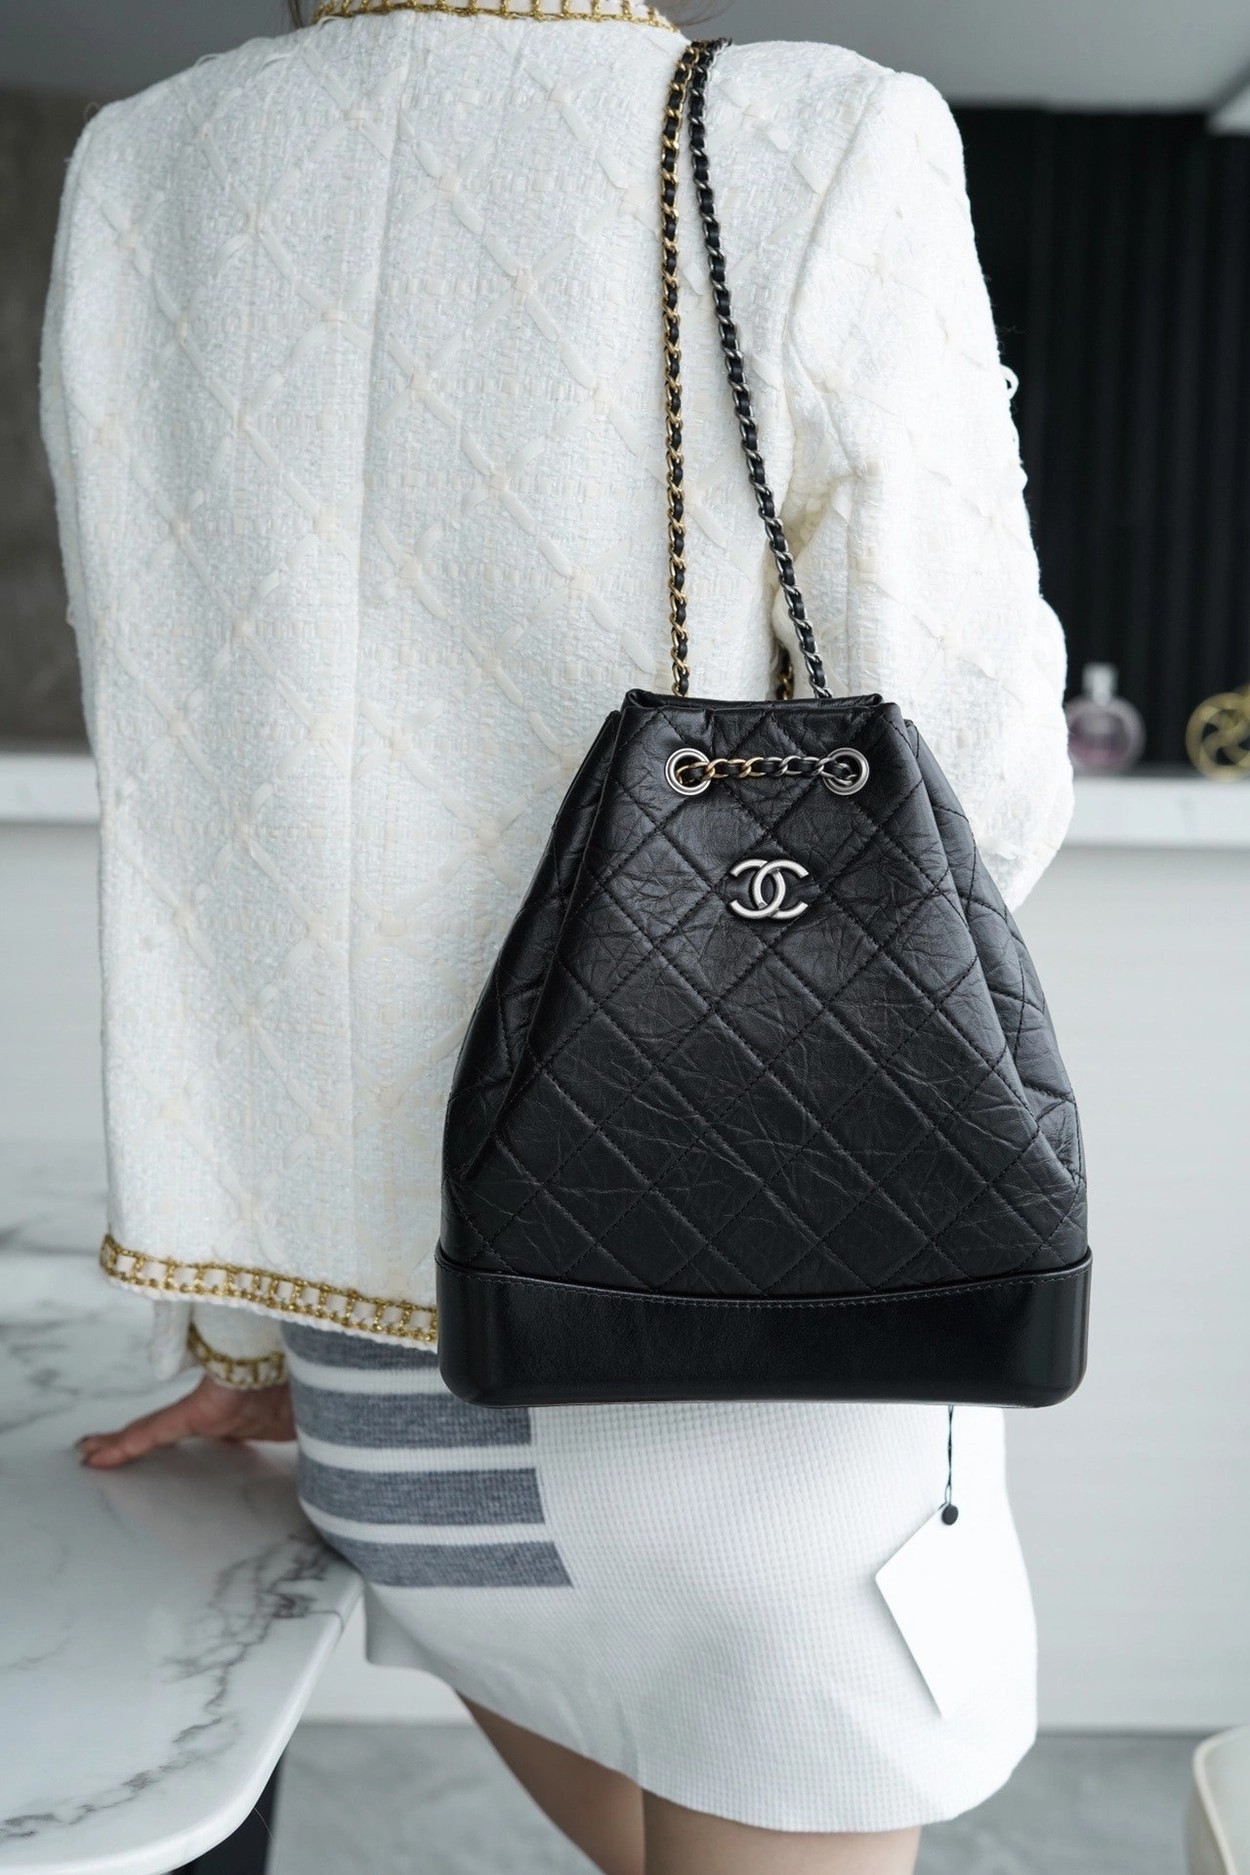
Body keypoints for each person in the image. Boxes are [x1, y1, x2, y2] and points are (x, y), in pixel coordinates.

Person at [46, 2, 1073, 1870]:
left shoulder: (146, 165)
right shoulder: (811, 131)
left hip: (378, 1375)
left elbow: (186, 766)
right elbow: (971, 775)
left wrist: (248, 1330)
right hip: (755, 1332)